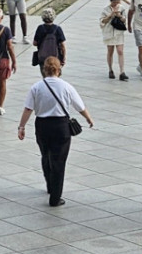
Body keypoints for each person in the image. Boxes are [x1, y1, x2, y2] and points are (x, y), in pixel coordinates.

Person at [17, 57, 95, 207]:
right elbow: (79, 106)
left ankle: (49, 185)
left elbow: (28, 108)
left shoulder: (37, 87)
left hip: (42, 125)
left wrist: (21, 127)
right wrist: (88, 119)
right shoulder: (66, 86)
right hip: (61, 126)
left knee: (45, 155)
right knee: (59, 161)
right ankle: (55, 197)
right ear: (59, 69)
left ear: (44, 70)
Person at [100, 0, 128, 81]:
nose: (116, 4)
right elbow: (102, 21)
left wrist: (119, 16)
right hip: (109, 32)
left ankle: (122, 72)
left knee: (120, 51)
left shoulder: (122, 8)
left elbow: (124, 20)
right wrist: (110, 15)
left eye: (117, 2)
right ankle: (110, 69)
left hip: (118, 32)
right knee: (110, 51)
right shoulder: (105, 9)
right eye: (114, 2)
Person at [32, 7, 67, 74]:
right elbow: (62, 45)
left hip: (43, 58)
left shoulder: (40, 28)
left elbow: (34, 43)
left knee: (45, 76)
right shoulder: (58, 29)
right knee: (55, 75)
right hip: (55, 57)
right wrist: (63, 57)